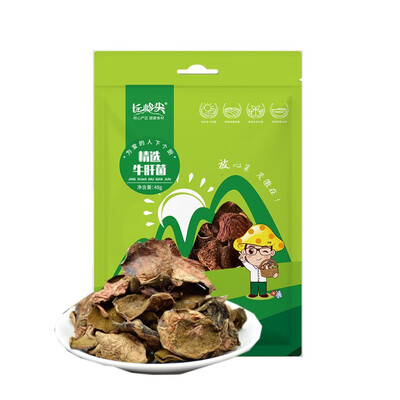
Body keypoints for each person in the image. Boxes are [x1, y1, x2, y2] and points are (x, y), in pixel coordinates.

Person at [233, 224, 284, 298]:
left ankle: (263, 293)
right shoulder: (252, 267)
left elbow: (272, 269)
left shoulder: (267, 265)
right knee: (253, 285)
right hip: (253, 280)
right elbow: (247, 265)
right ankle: (253, 293)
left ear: (272, 252)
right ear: (245, 251)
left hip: (263, 279)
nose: (258, 255)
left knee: (263, 285)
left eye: (264, 251)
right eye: (251, 251)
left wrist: (274, 274)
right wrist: (243, 260)